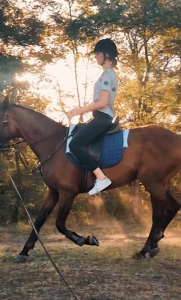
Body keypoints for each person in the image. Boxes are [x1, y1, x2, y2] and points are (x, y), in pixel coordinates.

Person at [67, 38, 118, 195]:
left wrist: (80, 110)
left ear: (106, 54)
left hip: (103, 117)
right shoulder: (107, 74)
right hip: (100, 116)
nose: (96, 56)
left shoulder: (107, 74)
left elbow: (102, 102)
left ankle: (101, 178)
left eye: (98, 53)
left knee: (74, 144)